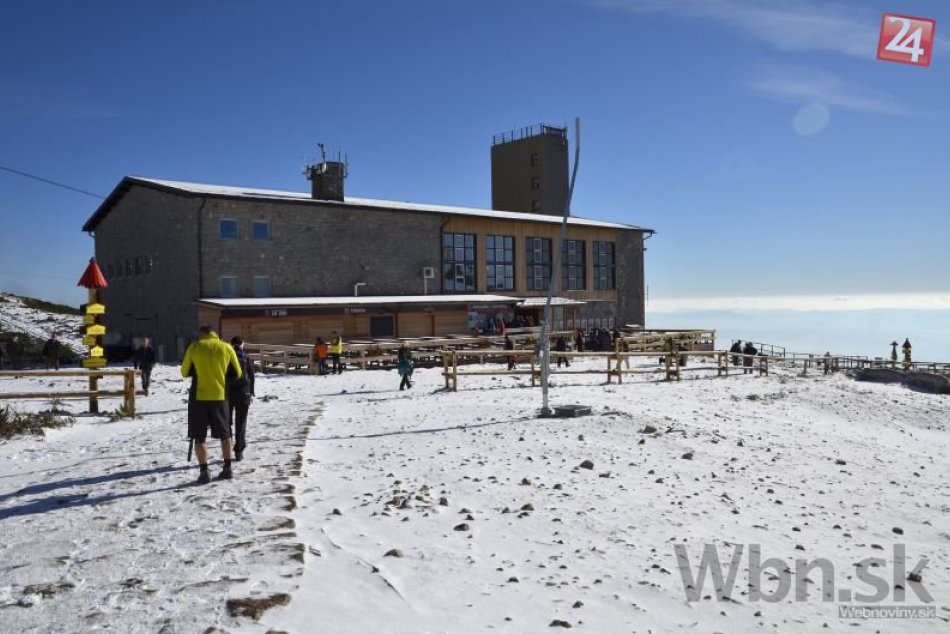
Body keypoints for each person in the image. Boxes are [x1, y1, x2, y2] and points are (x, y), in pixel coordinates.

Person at [181, 326, 242, 484]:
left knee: (199, 437)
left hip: (199, 398)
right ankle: (227, 468)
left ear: (202, 334)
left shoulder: (195, 347)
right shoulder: (226, 347)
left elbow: (184, 372)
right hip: (220, 397)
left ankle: (204, 471)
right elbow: (238, 373)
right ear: (215, 334)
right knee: (225, 434)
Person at [227, 336, 255, 461]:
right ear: (242, 344)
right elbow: (252, 376)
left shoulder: (227, 356)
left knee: (226, 422)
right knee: (241, 422)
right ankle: (239, 451)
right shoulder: (245, 357)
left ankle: (226, 450)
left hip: (228, 393)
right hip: (244, 392)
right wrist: (252, 392)